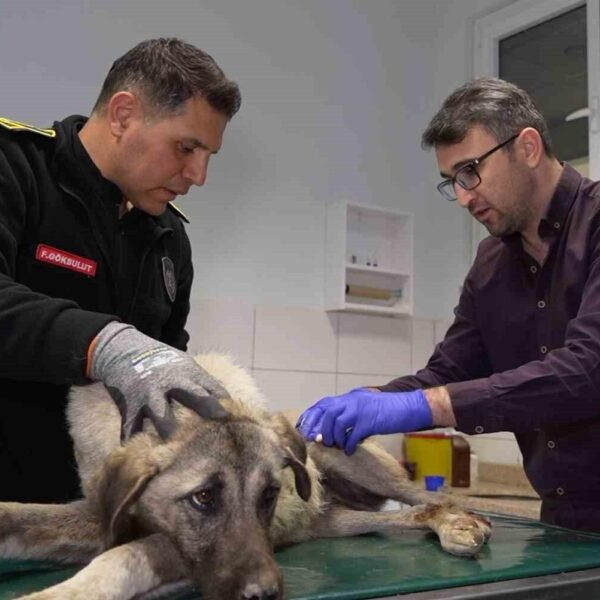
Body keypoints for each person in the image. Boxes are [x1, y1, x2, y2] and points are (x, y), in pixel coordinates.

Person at [298, 77, 600, 532]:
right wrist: (378, 399)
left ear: (529, 147)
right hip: (567, 522)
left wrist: (424, 407)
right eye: (452, 182)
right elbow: (448, 375)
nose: (462, 196)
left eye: (470, 171)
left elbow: (587, 370)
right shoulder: (492, 264)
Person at [0, 38, 241, 503]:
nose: (199, 175)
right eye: (186, 147)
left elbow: (163, 382)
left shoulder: (170, 239)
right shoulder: (15, 169)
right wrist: (105, 345)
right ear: (123, 115)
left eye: (208, 155)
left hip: (99, 517)